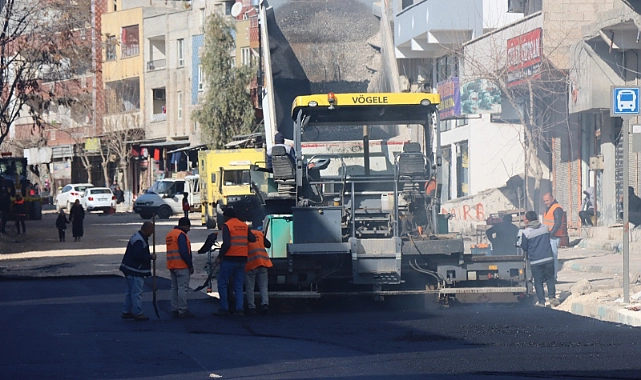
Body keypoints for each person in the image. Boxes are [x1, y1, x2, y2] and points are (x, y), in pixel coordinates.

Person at [214, 208, 256, 316]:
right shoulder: (243, 225)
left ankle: (224, 308)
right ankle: (239, 309)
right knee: (238, 286)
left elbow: (227, 243)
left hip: (230, 259)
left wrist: (220, 256)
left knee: (222, 283)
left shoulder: (227, 225)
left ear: (227, 217)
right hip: (242, 259)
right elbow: (252, 239)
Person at [520, 211, 559, 307]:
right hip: (548, 258)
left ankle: (541, 301)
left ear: (528, 220)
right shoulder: (545, 228)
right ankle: (552, 297)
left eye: (525, 219)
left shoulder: (526, 232)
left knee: (538, 281)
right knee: (550, 278)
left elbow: (524, 247)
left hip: (535, 261)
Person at [119, 222, 156, 321]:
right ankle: (137, 312)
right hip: (135, 269)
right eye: (151, 230)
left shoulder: (137, 237)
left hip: (129, 268)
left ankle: (127, 311)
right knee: (136, 292)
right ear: (147, 229)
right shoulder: (139, 241)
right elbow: (137, 256)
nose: (152, 233)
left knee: (130, 291)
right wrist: (150, 257)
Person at [165, 217, 195, 318]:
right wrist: (190, 265)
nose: (189, 229)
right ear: (185, 226)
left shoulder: (170, 234)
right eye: (188, 227)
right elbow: (184, 252)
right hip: (181, 265)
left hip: (172, 265)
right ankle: (183, 310)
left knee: (174, 288)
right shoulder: (181, 235)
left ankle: (175, 308)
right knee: (182, 288)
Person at [245, 227, 272, 315]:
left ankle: (252, 307)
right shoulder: (259, 233)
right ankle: (265, 304)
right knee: (263, 286)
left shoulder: (244, 235)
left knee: (250, 288)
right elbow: (268, 245)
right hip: (263, 263)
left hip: (251, 264)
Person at [542, 193, 563, 279]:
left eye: (547, 200)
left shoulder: (557, 208)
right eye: (544, 201)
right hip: (549, 236)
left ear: (552, 199)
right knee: (548, 258)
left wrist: (551, 234)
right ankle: (549, 276)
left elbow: (558, 223)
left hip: (554, 237)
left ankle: (553, 277)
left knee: (553, 257)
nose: (545, 202)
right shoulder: (548, 209)